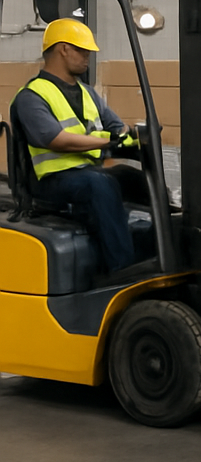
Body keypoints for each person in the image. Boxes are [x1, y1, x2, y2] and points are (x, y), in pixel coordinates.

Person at [10, 18, 140, 278]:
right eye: (82, 51)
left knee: (131, 178)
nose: (87, 58)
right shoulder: (31, 96)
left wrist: (134, 136)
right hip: (49, 182)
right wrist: (108, 141)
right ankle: (123, 270)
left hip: (87, 173)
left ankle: (161, 248)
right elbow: (55, 139)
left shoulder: (87, 93)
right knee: (99, 185)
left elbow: (116, 126)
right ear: (63, 49)